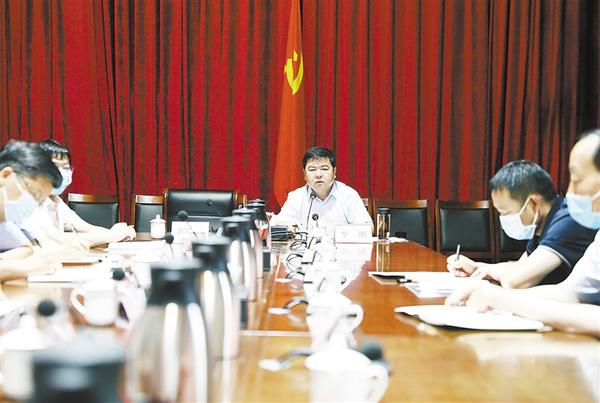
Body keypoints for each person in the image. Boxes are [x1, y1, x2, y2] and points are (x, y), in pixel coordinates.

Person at [446, 129, 600, 336]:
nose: (570, 191)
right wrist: (492, 293)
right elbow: (568, 293)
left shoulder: (568, 220)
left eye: (577, 179)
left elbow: (518, 280)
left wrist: (501, 298)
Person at [447, 160, 596, 288]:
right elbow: (521, 266)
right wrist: (476, 267)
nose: (503, 219)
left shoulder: (567, 221)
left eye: (506, 213)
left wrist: (488, 271)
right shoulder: (543, 223)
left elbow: (517, 281)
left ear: (533, 203)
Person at [23, 139, 135, 247]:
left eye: (65, 167)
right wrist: (113, 235)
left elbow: (86, 228)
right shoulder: (30, 201)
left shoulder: (56, 200)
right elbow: (62, 240)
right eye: (55, 166)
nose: (60, 172)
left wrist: (117, 233)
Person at [0, 140, 63, 281]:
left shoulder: (3, 220)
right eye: (34, 194)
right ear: (6, 175)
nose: (32, 205)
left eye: (39, 201)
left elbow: (26, 248)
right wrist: (25, 267)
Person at [271, 147, 372, 231]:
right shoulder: (296, 197)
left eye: (324, 169)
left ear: (334, 172)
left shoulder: (348, 195)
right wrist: (288, 225)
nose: (318, 174)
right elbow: (277, 225)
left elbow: (368, 227)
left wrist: (337, 232)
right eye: (312, 169)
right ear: (304, 174)